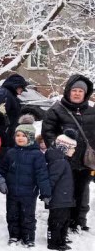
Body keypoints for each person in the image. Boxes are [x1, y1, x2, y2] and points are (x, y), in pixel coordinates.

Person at [41, 74, 95, 233]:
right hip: (65, 161)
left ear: (85, 93)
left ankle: (79, 221)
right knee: (64, 193)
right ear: (68, 91)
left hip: (86, 161)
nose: (77, 93)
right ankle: (64, 223)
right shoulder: (56, 110)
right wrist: (59, 151)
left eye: (80, 91)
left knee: (82, 191)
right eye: (74, 90)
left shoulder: (92, 111)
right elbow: (48, 132)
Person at [3, 118, 52, 247]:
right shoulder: (11, 153)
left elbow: (42, 175)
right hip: (12, 191)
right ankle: (14, 235)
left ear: (30, 138)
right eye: (17, 135)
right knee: (12, 215)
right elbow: (2, 169)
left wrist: (46, 193)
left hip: (29, 193)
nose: (19, 138)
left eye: (23, 136)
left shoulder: (37, 155)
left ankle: (28, 237)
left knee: (27, 216)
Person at [45, 130, 78, 251]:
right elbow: (51, 180)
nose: (74, 151)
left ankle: (61, 239)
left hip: (64, 197)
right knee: (57, 221)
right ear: (64, 147)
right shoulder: (59, 162)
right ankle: (53, 242)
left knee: (64, 220)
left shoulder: (63, 160)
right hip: (58, 198)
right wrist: (47, 194)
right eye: (72, 148)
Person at [0, 73, 29, 171]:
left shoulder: (9, 95)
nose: (21, 92)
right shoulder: (4, 95)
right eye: (21, 88)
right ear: (16, 86)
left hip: (7, 137)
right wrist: (5, 132)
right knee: (2, 165)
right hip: (3, 139)